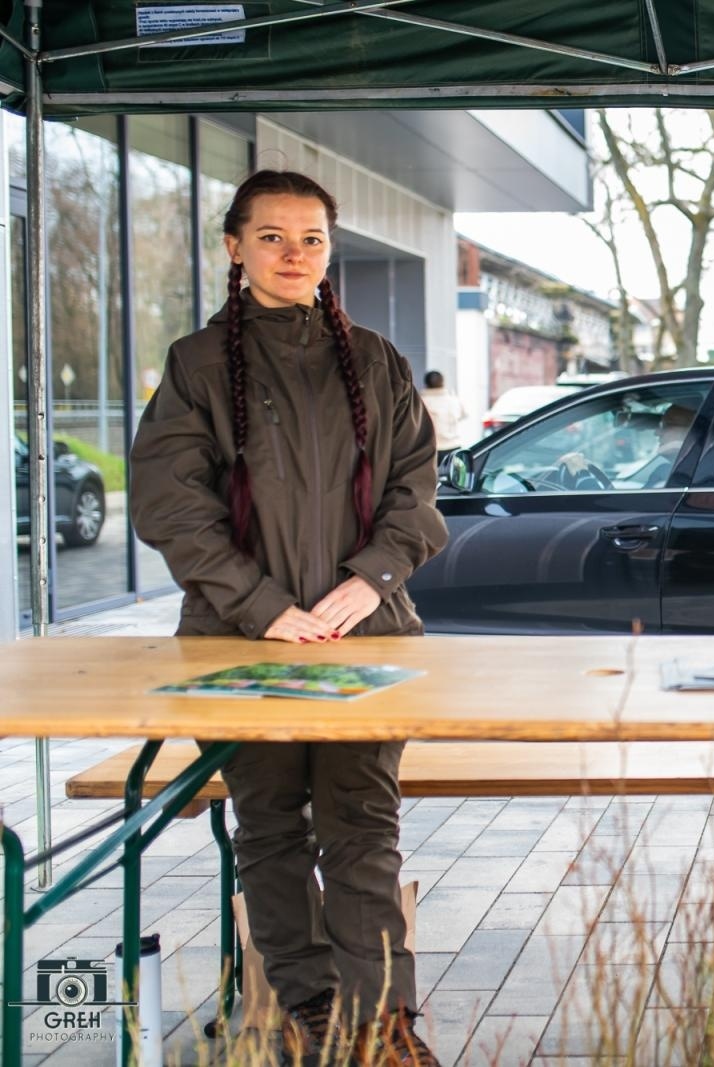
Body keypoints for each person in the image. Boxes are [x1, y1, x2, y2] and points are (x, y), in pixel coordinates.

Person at [130, 170, 448, 1066]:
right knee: (269, 825)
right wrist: (264, 607)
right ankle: (312, 1010)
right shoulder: (196, 365)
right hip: (240, 643)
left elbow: (417, 495)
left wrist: (369, 581)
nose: (293, 254)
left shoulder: (380, 360)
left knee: (362, 826)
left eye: (310, 237)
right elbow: (169, 505)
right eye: (272, 236)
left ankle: (382, 1023)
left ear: (329, 249)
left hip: (368, 637)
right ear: (234, 248)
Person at [556, 400, 696, 489]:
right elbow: (629, 512)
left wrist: (583, 476)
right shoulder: (682, 473)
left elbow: (625, 520)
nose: (657, 433)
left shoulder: (673, 475)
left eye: (668, 425)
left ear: (694, 431)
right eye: (659, 424)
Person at [420, 370, 470, 462]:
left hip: (430, 450)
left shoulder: (420, 402)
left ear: (426, 384)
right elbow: (463, 416)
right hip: (454, 448)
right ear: (443, 383)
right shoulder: (454, 400)